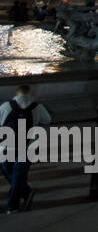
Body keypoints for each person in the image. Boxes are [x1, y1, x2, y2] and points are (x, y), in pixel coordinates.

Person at [0, 85, 51, 213]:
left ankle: (18, 200)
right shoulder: (37, 107)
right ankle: (15, 204)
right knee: (18, 175)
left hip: (7, 146)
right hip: (27, 147)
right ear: (30, 93)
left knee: (8, 171)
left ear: (16, 93)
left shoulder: (6, 106)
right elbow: (47, 120)